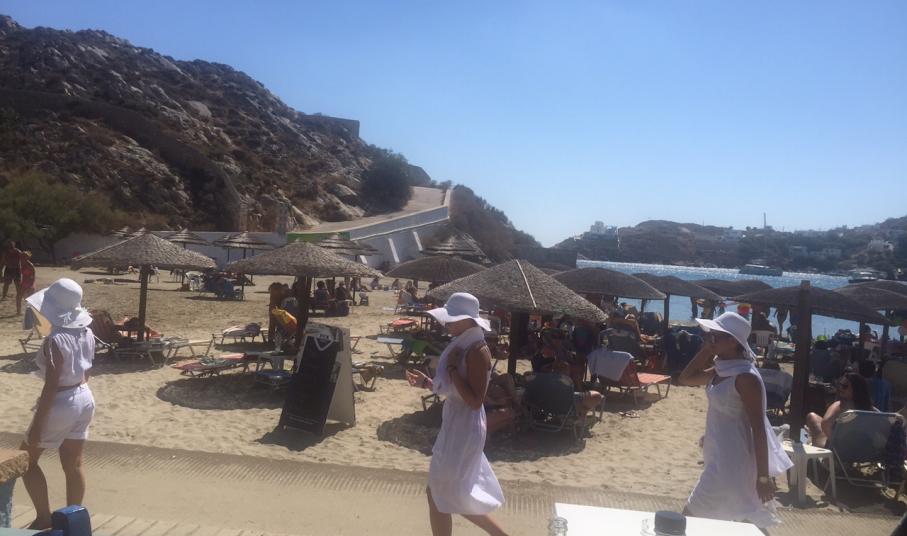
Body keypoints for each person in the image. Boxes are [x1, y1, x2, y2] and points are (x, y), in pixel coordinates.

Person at [678, 312, 793, 530]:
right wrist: (706, 350)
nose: (709, 339)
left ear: (732, 341)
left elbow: (758, 428)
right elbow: (686, 378)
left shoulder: (745, 377)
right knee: (735, 518)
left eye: (714, 336)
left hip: (733, 460)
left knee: (690, 518)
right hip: (718, 454)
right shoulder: (721, 370)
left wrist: (763, 477)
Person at [405, 293, 507, 536]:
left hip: (465, 427)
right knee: (445, 494)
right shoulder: (466, 345)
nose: (447, 322)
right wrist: (428, 383)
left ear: (468, 320)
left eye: (453, 318)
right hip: (458, 425)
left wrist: (451, 369)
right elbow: (458, 392)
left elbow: (474, 401)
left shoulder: (476, 350)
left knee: (443, 494)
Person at [20, 279, 96, 530]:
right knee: (74, 465)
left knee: (26, 461)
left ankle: (44, 517)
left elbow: (51, 385)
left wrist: (38, 425)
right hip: (84, 396)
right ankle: (73, 522)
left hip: (62, 400)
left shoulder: (56, 339)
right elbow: (87, 372)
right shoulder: (86, 332)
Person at [806, 372, 877, 448]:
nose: (840, 388)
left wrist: (836, 444)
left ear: (856, 389)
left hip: (837, 447)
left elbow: (825, 423)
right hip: (859, 446)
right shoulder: (868, 407)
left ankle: (811, 438)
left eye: (844, 386)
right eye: (839, 384)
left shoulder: (840, 405)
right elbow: (883, 420)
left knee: (811, 416)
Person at [17, 250, 36, 315]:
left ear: (27, 257)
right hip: (23, 283)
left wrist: (30, 286)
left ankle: (31, 313)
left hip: (30, 284)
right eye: (21, 256)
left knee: (29, 300)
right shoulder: (21, 264)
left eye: (24, 257)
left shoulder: (30, 265)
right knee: (18, 297)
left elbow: (33, 277)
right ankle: (18, 312)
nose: (22, 258)